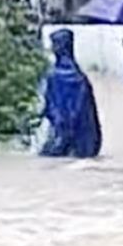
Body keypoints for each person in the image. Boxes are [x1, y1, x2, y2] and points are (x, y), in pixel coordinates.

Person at [40, 28, 103, 158]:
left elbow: (49, 106)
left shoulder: (54, 76)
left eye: (55, 44)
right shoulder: (80, 78)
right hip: (80, 141)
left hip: (61, 137)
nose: (52, 49)